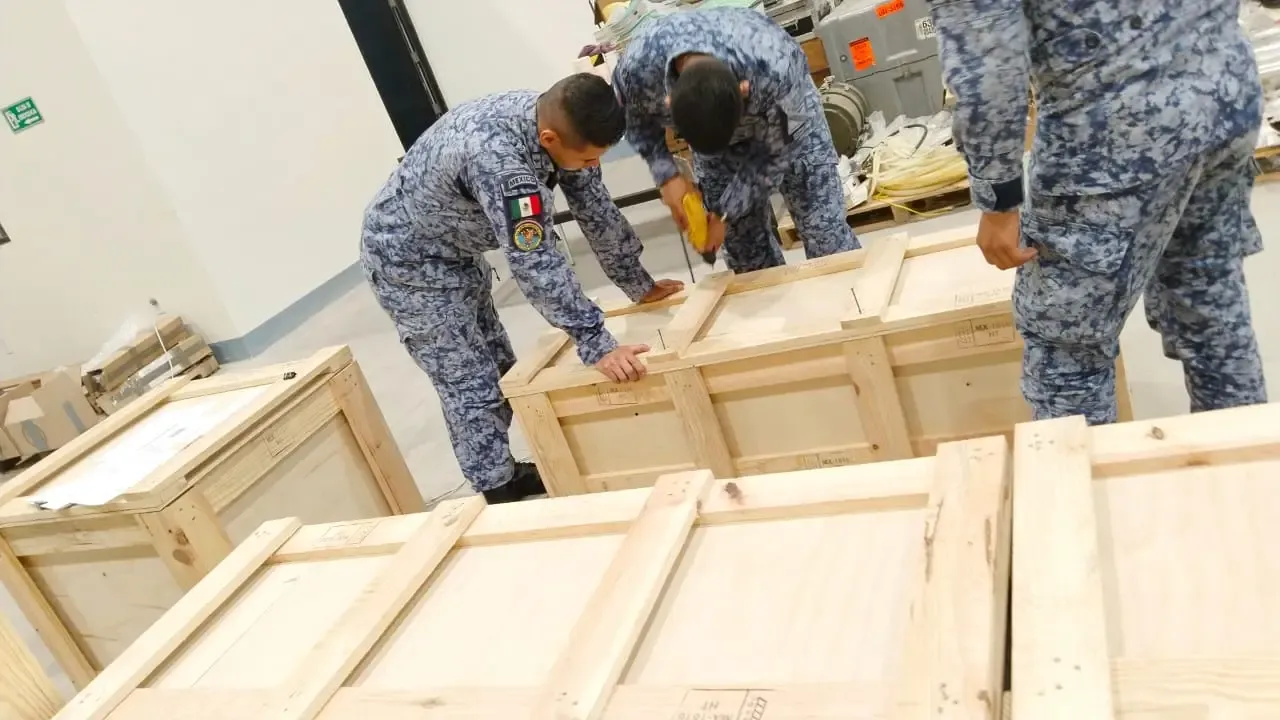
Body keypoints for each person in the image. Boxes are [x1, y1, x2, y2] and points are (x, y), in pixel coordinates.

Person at [931, 0, 1268, 423]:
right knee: (1210, 308)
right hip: (1224, 89)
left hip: (1112, 133)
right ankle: (1251, 473)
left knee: (1067, 356)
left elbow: (989, 63)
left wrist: (998, 198)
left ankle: (1073, 488)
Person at [360, 74, 684, 503]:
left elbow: (595, 208)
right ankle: (497, 492)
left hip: (455, 252)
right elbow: (535, 259)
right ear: (549, 139)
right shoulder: (501, 164)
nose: (592, 167)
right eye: (587, 159)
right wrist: (596, 342)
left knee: (499, 364)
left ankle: (502, 470)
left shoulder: (563, 127)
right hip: (408, 263)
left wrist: (636, 282)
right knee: (470, 381)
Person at [612, 7, 859, 274]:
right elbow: (635, 117)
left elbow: (774, 155)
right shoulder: (639, 68)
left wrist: (724, 213)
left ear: (743, 89)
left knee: (827, 237)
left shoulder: (774, 63)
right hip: (716, 149)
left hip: (786, 126)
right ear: (669, 103)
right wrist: (667, 175)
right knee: (746, 256)